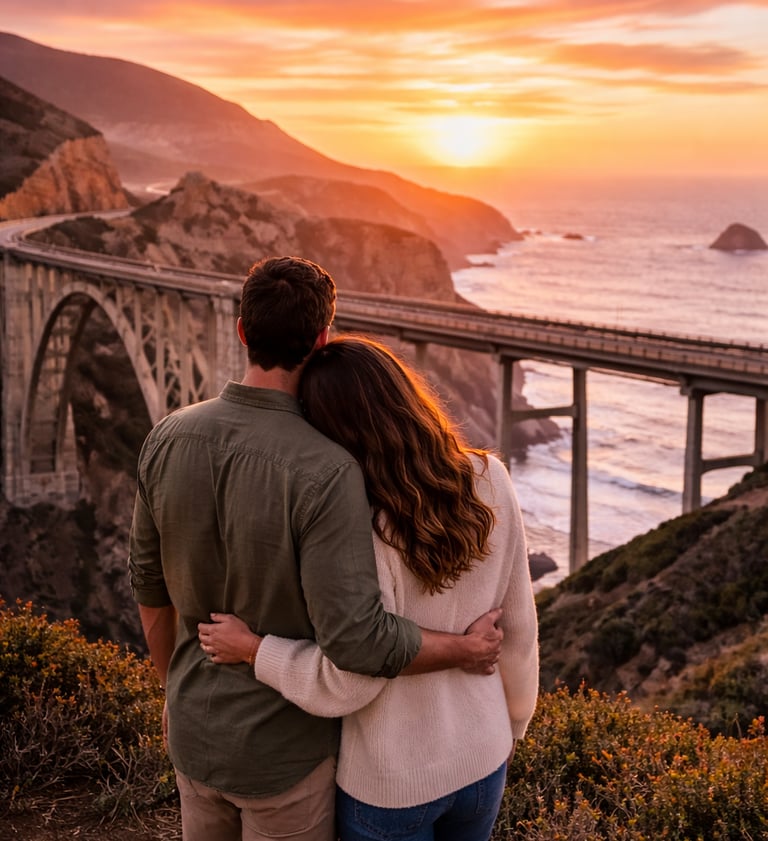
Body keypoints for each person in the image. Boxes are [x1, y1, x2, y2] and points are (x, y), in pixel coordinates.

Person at [128, 257, 505, 841]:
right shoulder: (328, 470)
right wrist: (463, 648)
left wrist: (178, 693)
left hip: (194, 736)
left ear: (242, 330)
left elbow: (150, 593)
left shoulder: (166, 436)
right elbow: (358, 640)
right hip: (286, 755)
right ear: (323, 335)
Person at [199, 335, 540, 841]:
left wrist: (254, 650)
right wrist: (513, 726)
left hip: (392, 783)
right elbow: (520, 628)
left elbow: (353, 675)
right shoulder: (491, 478)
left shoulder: (365, 525)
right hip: (484, 758)